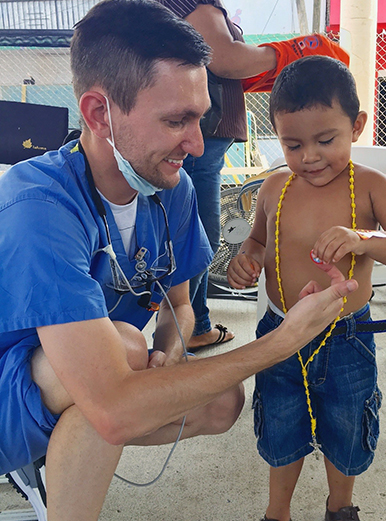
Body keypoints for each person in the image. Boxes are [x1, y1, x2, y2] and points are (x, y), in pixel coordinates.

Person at [0, 3, 358, 521]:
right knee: (117, 359)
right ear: (98, 111)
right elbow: (115, 409)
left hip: (86, 375)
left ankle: (68, 462)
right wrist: (281, 342)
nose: (197, 143)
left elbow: (183, 307)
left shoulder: (170, 187)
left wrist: (171, 346)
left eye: (201, 117)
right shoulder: (38, 205)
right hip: (9, 393)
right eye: (176, 121)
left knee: (219, 400)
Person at [227, 56, 386, 521]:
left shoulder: (368, 187)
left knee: (345, 423)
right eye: (293, 145)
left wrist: (366, 237)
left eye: (326, 139)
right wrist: (247, 258)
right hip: (281, 333)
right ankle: (277, 518)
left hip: (347, 335)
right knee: (281, 424)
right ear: (276, 135)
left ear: (357, 126)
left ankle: (340, 509)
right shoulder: (274, 188)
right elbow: (256, 237)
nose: (310, 157)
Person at [158, 0, 278, 352]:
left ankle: (193, 326)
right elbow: (225, 58)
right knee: (197, 239)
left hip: (207, 136)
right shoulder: (191, 3)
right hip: (205, 138)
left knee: (193, 238)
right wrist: (287, 53)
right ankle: (183, 337)